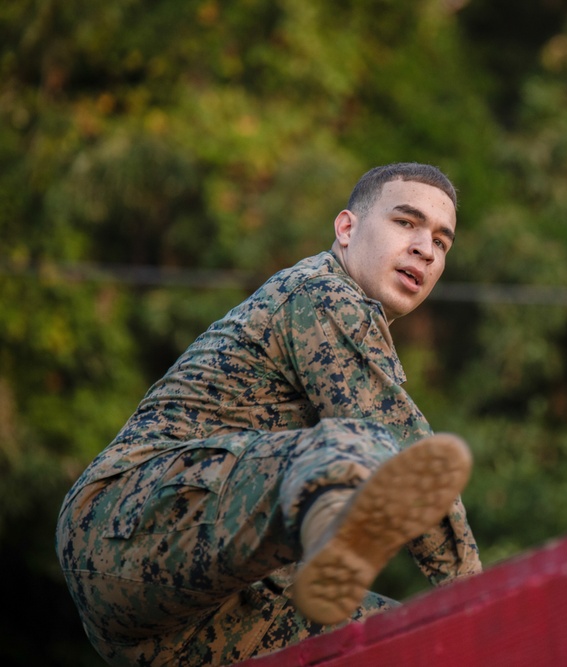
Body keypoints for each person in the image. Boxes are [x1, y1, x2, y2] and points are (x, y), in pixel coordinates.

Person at [56, 163, 482, 666]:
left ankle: (333, 525)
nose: (425, 249)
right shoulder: (320, 293)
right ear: (346, 229)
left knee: (410, 646)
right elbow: (409, 451)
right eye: (406, 222)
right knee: (366, 445)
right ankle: (331, 517)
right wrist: (482, 600)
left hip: (193, 622)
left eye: (442, 242)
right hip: (125, 523)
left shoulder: (350, 315)